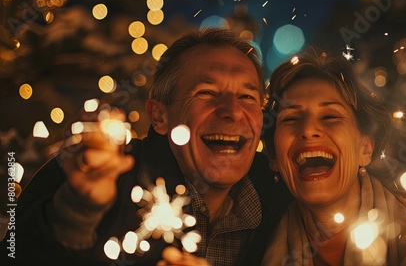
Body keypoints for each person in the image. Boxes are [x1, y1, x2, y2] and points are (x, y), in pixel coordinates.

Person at [0, 28, 290, 266]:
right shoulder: (91, 174)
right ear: (159, 116)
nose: (232, 111)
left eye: (248, 97)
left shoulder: (280, 198)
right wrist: (76, 214)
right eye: (206, 93)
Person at [252, 50, 406, 265]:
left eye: (330, 117)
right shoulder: (250, 246)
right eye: (291, 119)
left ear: (365, 149)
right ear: (274, 156)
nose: (307, 131)